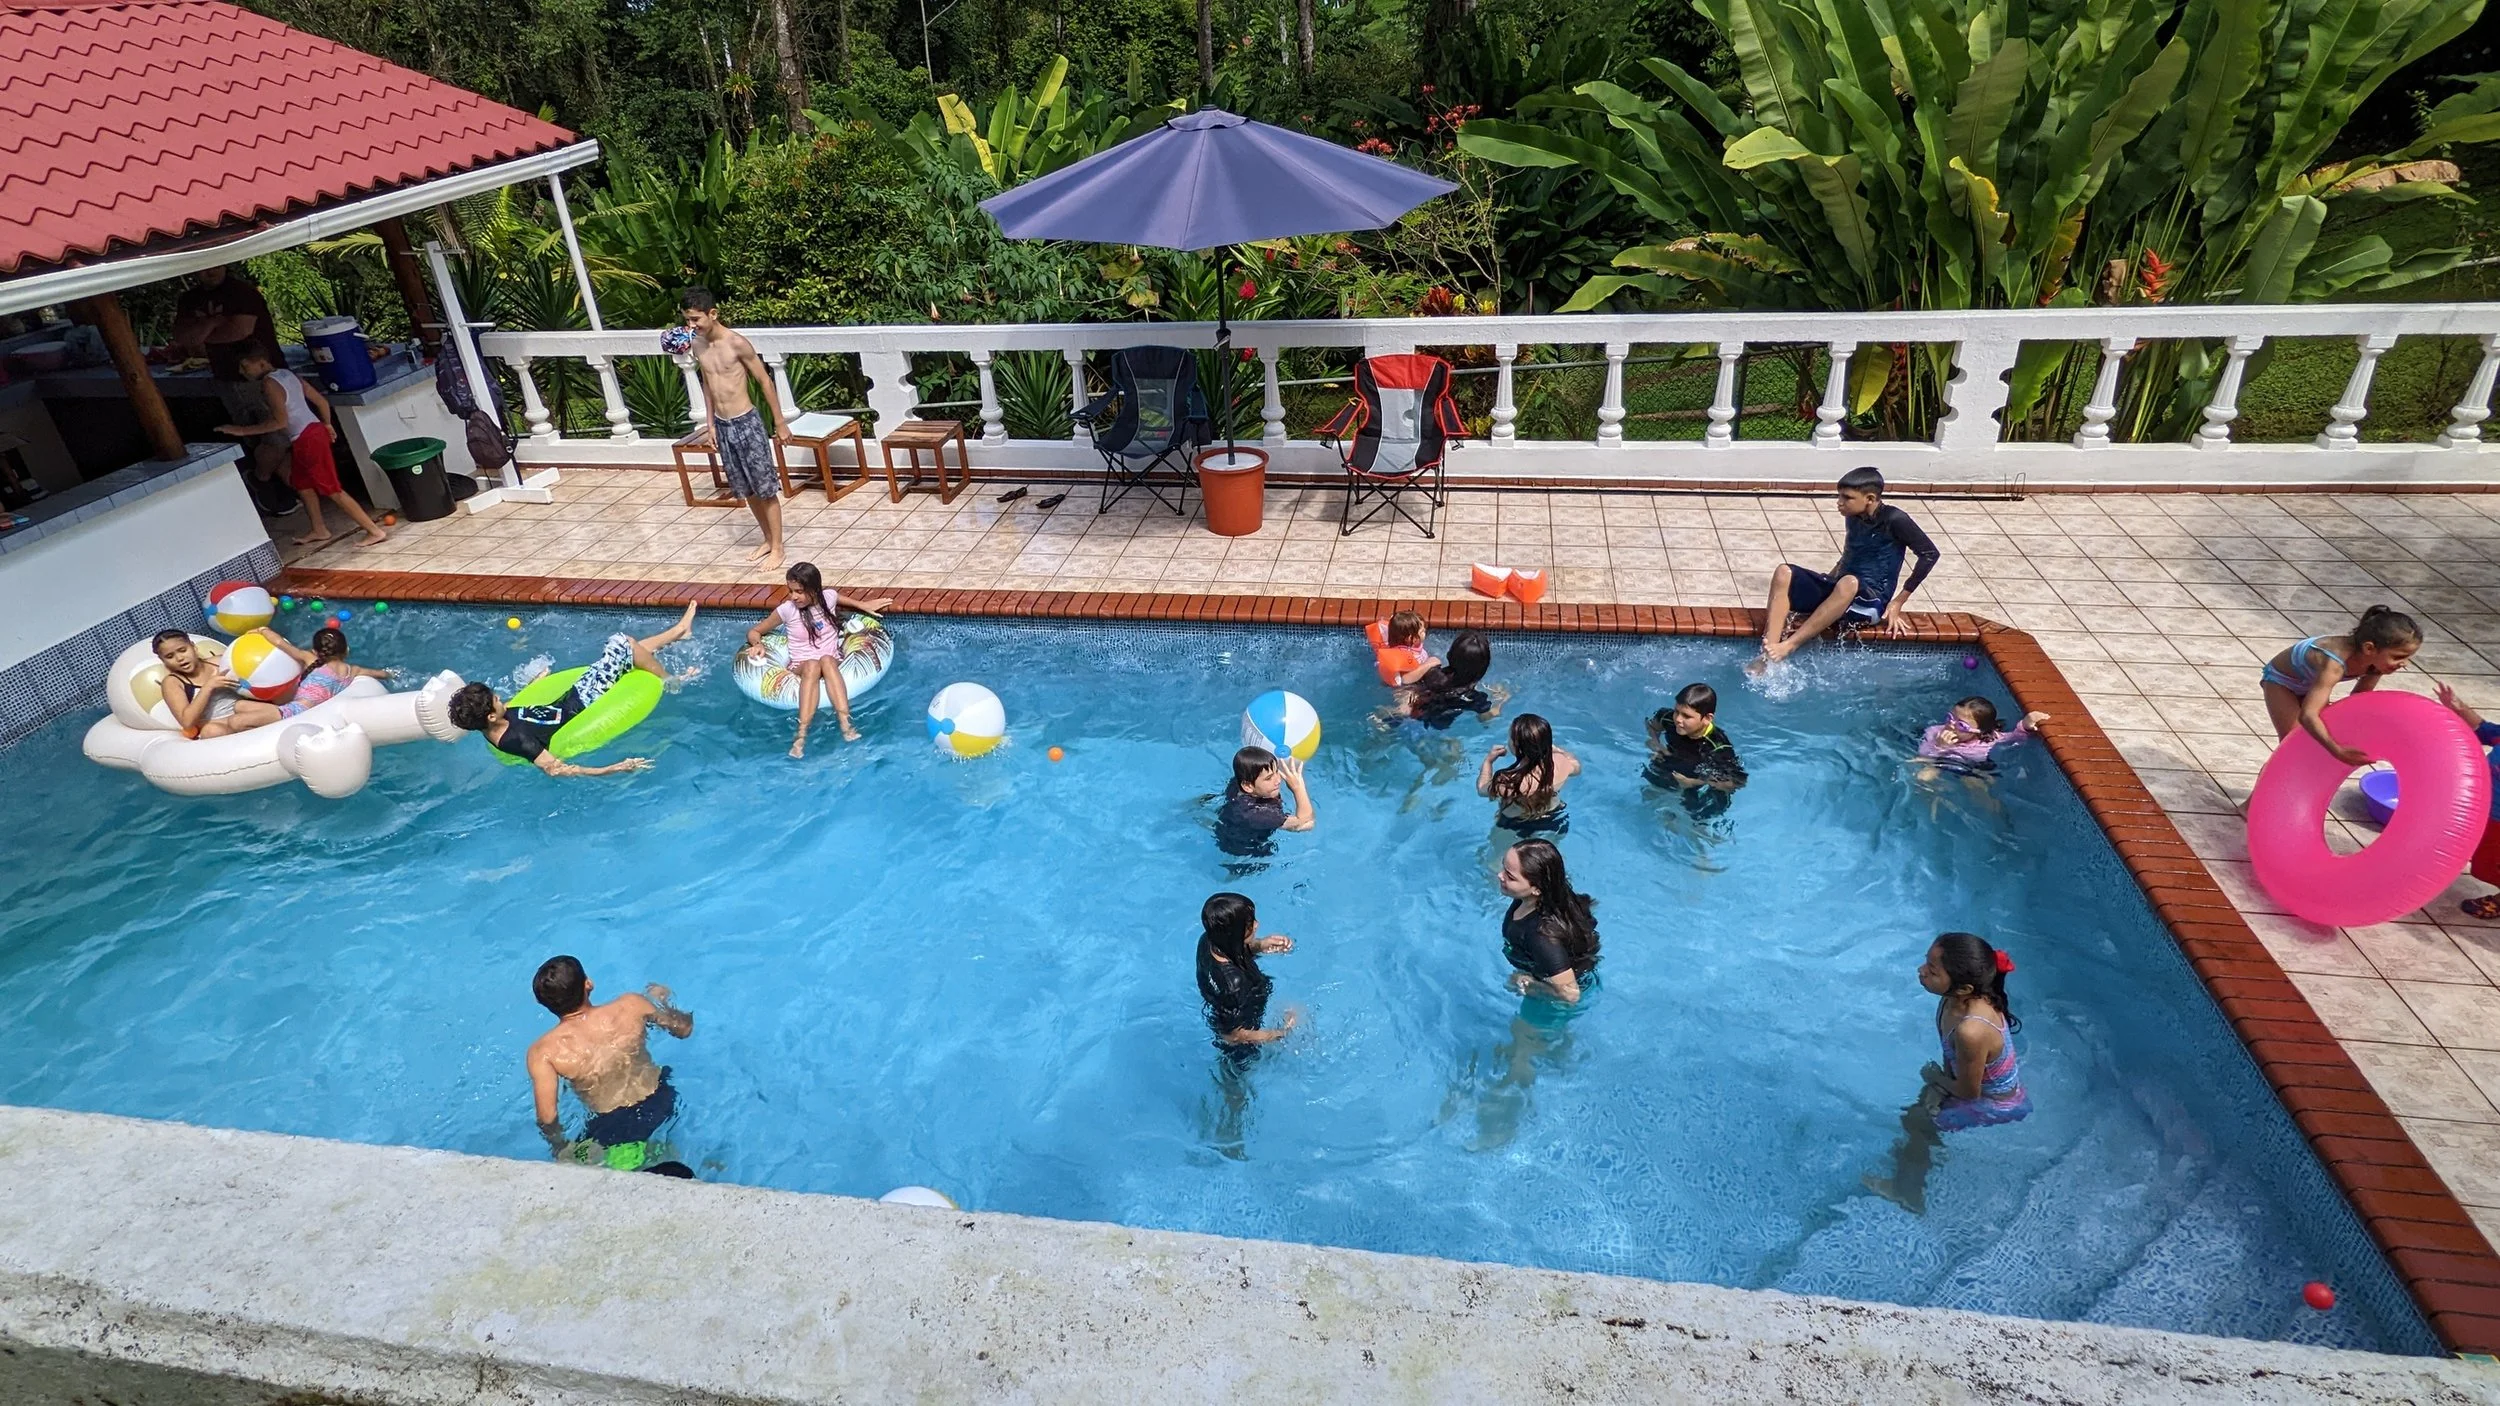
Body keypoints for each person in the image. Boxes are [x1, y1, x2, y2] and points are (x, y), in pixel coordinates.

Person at [1866, 932, 2030, 1215]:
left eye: (1932, 970)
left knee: (1915, 1121)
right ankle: (1925, 1149)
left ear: (1964, 988)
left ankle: (1908, 1193)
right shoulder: (1951, 1000)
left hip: (1996, 1103)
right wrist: (1940, 1086)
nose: (1921, 971)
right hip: (1964, 1084)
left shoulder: (1972, 1029)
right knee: (1920, 1112)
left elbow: (1970, 1092)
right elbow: (1951, 1059)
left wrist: (1935, 1079)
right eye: (1925, 962)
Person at [446, 603, 696, 776]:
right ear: (490, 715)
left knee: (626, 652)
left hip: (570, 696)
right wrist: (613, 768)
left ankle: (678, 632)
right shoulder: (517, 741)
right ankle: (672, 680)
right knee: (623, 643)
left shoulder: (493, 722)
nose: (501, 699)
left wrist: (536, 684)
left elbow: (518, 710)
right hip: (583, 703)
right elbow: (556, 769)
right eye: (496, 700)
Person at [1753, 466, 1940, 671]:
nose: (1839, 502)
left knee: (1848, 582)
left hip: (1870, 603)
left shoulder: (1895, 519)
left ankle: (1790, 645)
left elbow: (1930, 554)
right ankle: (1766, 655)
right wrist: (1828, 579)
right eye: (1839, 496)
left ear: (1869, 498)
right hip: (1842, 590)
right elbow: (1852, 554)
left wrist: (1898, 602)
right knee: (1784, 572)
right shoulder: (1853, 517)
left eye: (1847, 497)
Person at [523, 955, 694, 1161]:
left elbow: (547, 1117)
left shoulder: (543, 1051)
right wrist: (663, 1001)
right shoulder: (632, 1005)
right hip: (661, 1099)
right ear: (589, 984)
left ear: (541, 1002)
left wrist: (559, 1147)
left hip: (612, 1127)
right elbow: (683, 1029)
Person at [217, 346, 389, 548]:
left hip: (307, 439)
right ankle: (319, 529)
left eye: (245, 366)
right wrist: (326, 424)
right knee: (303, 485)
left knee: (332, 489)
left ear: (261, 363)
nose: (242, 372)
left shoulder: (269, 384)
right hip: (313, 431)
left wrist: (242, 431)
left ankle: (374, 530)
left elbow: (280, 422)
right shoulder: (288, 375)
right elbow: (321, 402)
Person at [680, 287, 794, 572]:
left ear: (712, 314)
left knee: (765, 488)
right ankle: (767, 539)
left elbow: (765, 381)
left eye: (696, 320)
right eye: (688, 321)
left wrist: (779, 423)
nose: (692, 326)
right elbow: (708, 385)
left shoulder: (737, 343)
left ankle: (778, 547)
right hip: (722, 425)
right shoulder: (697, 346)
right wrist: (709, 424)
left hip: (747, 423)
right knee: (746, 490)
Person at [742, 562, 894, 758]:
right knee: (814, 664)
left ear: (814, 590)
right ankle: (801, 735)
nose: (794, 596)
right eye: (790, 591)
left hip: (831, 661)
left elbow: (840, 598)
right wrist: (757, 644)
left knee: (827, 660)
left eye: (799, 591)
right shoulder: (787, 610)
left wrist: (863, 605)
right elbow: (755, 631)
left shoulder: (828, 598)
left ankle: (845, 724)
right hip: (801, 666)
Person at [2260, 605, 2423, 765]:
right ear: (2369, 648)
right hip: (2282, 681)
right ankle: (2262, 792)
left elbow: (2358, 699)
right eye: (2397, 657)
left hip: (2312, 683)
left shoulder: (2375, 663)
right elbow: (2308, 715)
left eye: (2408, 657)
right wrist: (2336, 749)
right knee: (2292, 743)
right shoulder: (2334, 663)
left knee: (2317, 738)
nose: (2404, 663)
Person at [170, 265, 286, 481]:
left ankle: (264, 480)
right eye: (204, 268)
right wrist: (213, 324)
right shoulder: (189, 299)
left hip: (265, 375)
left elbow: (241, 330)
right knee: (257, 437)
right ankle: (273, 486)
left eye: (215, 266)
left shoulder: (242, 292)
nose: (209, 271)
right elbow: (182, 336)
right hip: (227, 378)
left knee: (279, 436)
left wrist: (201, 335)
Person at [1497, 840, 1599, 1004]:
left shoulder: (1542, 938)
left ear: (1536, 889)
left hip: (1551, 1000)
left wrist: (1530, 985)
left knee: (1519, 1031)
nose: (1500, 875)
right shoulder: (1547, 895)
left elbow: (1571, 995)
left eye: (1510, 876)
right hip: (1545, 962)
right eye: (1504, 867)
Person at [1197, 892, 1299, 1052]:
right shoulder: (1234, 984)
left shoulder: (1208, 940)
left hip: (1222, 1005)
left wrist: (1260, 945)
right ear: (1235, 934)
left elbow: (1230, 948)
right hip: (1243, 1028)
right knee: (1238, 1067)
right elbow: (1232, 1036)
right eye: (1250, 924)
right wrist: (1282, 1033)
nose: (1257, 925)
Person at [2435, 682, 2500, 920]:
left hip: (2497, 821)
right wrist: (2457, 706)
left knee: (2484, 867)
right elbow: (2482, 728)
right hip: (2479, 809)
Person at [150, 628, 279, 739]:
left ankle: (289, 711)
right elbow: (187, 722)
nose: (179, 658)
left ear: (193, 647)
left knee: (241, 707)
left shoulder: (219, 662)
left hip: (247, 714)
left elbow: (256, 672)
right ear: (163, 660)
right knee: (211, 731)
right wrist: (208, 687)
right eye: (170, 656)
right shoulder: (173, 682)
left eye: (183, 650)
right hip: (220, 727)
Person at [1646, 682, 1747, 820]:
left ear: (1707, 718)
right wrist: (1655, 743)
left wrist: (1694, 783)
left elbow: (1737, 782)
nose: (1678, 720)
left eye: (1687, 716)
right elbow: (1652, 726)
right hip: (1674, 763)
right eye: (1677, 711)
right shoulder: (1668, 718)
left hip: (1699, 779)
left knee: (1700, 811)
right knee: (1650, 794)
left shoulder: (1718, 747)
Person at [250, 625, 394, 718]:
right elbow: (381, 674)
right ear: (347, 650)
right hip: (308, 712)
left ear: (315, 651)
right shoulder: (353, 670)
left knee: (238, 718)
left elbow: (280, 643)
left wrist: (263, 629)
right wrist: (391, 674)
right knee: (241, 706)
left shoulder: (311, 660)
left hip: (294, 712)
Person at [1478, 713, 1579, 835]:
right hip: (1554, 817)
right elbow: (1576, 768)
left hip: (1516, 826)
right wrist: (1556, 750)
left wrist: (1488, 762)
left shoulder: (1508, 781)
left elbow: (1482, 789)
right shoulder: (1561, 762)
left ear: (1517, 747)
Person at [1912, 696, 2050, 778]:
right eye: (1950, 718)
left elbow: (2014, 738)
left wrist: (2026, 725)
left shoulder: (1988, 739)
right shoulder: (1935, 732)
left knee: (1978, 788)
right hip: (1942, 762)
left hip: (1975, 768)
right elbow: (1922, 757)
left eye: (1962, 725)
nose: (1951, 726)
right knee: (1922, 778)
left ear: (1979, 731)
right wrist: (1939, 746)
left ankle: (1998, 820)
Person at [1215, 746, 1316, 855]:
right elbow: (1306, 822)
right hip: (1247, 851)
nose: (1278, 780)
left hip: (1227, 827)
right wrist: (1298, 788)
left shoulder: (1236, 784)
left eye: (1276, 771)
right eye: (1269, 778)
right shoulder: (1259, 813)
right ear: (1248, 786)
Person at [1395, 630, 1502, 728]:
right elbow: (1484, 717)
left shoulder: (1433, 673)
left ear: (1449, 655)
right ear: (1484, 669)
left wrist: (1431, 662)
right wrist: (1501, 701)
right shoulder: (1474, 698)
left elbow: (1405, 681)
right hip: (1440, 722)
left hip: (1420, 709)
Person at [1366, 609, 1436, 686]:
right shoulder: (1405, 655)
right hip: (1405, 687)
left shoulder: (1412, 644)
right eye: (1422, 631)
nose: (1425, 632)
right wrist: (1431, 663)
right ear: (1409, 638)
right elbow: (1405, 679)